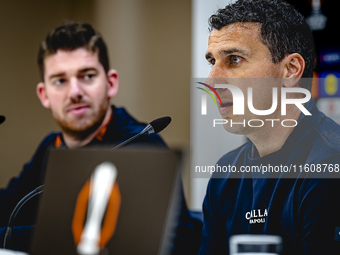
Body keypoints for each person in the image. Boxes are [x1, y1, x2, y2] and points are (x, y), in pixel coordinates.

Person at [0, 22, 201, 253]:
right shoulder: (51, 146)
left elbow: (176, 244)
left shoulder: (141, 145)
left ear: (110, 83)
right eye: (60, 81)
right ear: (44, 95)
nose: (75, 92)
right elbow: (7, 208)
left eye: (87, 76)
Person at [199, 0, 340, 254]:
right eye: (212, 61)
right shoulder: (224, 174)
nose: (211, 81)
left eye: (233, 59)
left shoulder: (330, 166)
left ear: (291, 70)